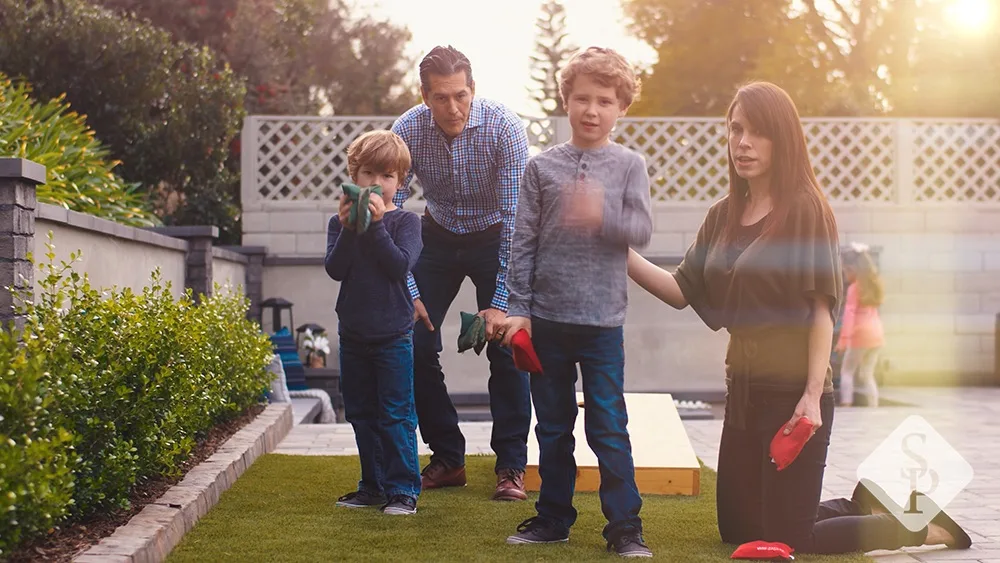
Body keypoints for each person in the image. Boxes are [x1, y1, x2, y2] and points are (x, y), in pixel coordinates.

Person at [625, 81, 971, 554]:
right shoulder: (722, 216)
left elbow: (821, 310)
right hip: (744, 393)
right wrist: (617, 252)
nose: (742, 143)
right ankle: (863, 502)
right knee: (738, 530)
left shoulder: (805, 210)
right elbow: (680, 289)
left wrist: (811, 396)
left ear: (783, 139)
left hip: (794, 398)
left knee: (793, 537)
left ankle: (920, 526)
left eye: (758, 132)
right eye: (735, 130)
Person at [501, 46, 654, 558]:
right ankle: (553, 518)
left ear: (622, 108)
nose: (592, 110)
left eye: (605, 101)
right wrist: (517, 307)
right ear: (565, 101)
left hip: (604, 323)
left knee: (608, 424)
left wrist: (600, 217)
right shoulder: (540, 167)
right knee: (552, 427)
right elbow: (522, 243)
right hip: (546, 321)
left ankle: (625, 528)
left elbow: (641, 231)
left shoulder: (631, 166)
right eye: (582, 98)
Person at [390, 45, 532, 501]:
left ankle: (510, 467)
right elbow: (392, 216)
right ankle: (448, 458)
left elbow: (515, 219)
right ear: (424, 96)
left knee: (506, 346)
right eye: (441, 98)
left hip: (495, 236)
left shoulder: (504, 128)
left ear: (473, 90)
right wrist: (407, 287)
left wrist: (501, 302)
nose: (453, 108)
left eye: (461, 96)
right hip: (438, 233)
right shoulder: (407, 130)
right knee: (411, 342)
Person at [325, 130, 422, 515]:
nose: (376, 184)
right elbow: (335, 269)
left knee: (396, 414)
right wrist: (350, 229)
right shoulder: (339, 223)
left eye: (386, 176)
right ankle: (373, 485)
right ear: (354, 176)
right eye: (367, 174)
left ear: (399, 182)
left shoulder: (407, 223)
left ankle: (403, 491)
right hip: (353, 334)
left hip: (393, 335)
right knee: (362, 414)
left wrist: (376, 226)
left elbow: (399, 265)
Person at [835, 243, 885, 407]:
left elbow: (849, 316)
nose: (844, 275)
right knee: (867, 373)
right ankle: (874, 405)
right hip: (876, 335)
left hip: (860, 335)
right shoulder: (874, 285)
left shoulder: (854, 289)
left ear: (852, 269)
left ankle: (846, 404)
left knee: (847, 371)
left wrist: (843, 340)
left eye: (845, 271)